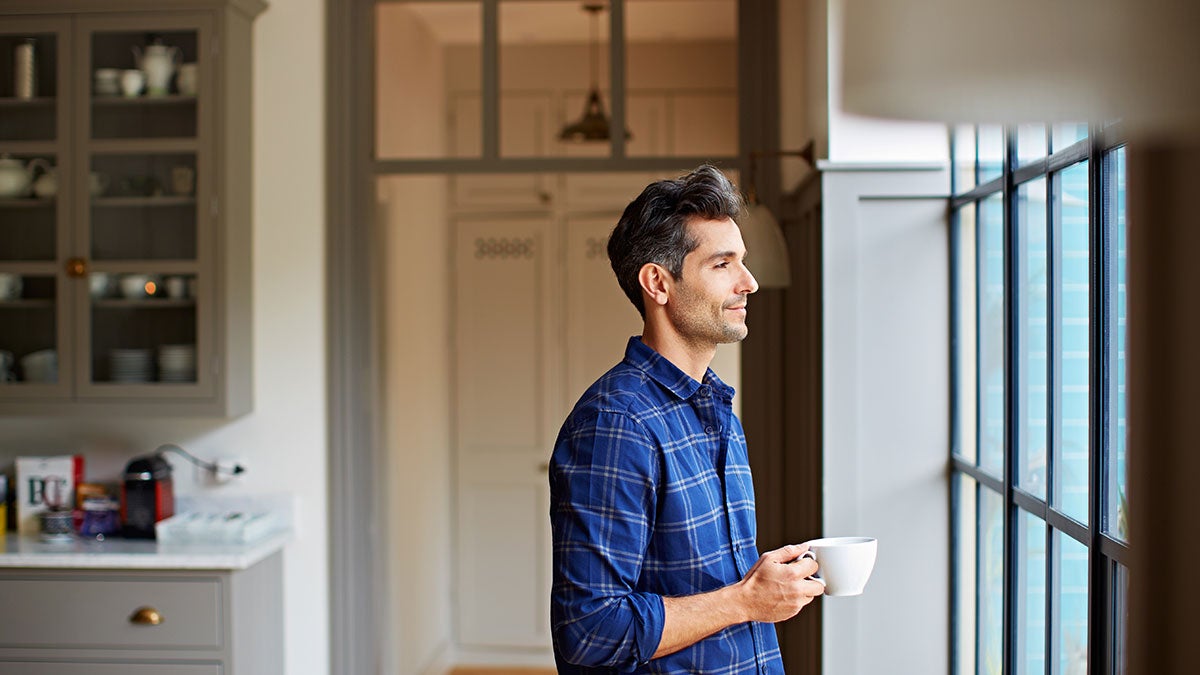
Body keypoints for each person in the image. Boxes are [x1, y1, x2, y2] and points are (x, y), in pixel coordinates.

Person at [548, 165, 824, 674]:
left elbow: (713, 584)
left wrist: (764, 587)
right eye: (723, 264)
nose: (750, 282)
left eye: (742, 261)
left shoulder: (717, 411)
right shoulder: (616, 425)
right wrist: (744, 600)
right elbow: (589, 632)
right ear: (658, 283)